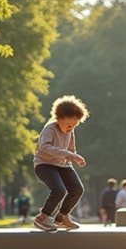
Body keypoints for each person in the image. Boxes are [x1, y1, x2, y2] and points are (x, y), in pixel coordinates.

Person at [32, 95, 89, 231]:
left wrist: (74, 157)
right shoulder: (50, 129)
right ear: (59, 118)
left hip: (62, 165)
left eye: (74, 125)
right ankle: (43, 217)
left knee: (77, 189)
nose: (71, 128)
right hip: (44, 165)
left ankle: (61, 217)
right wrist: (68, 154)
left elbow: (71, 149)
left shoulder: (70, 131)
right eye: (69, 125)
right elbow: (44, 147)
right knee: (59, 190)